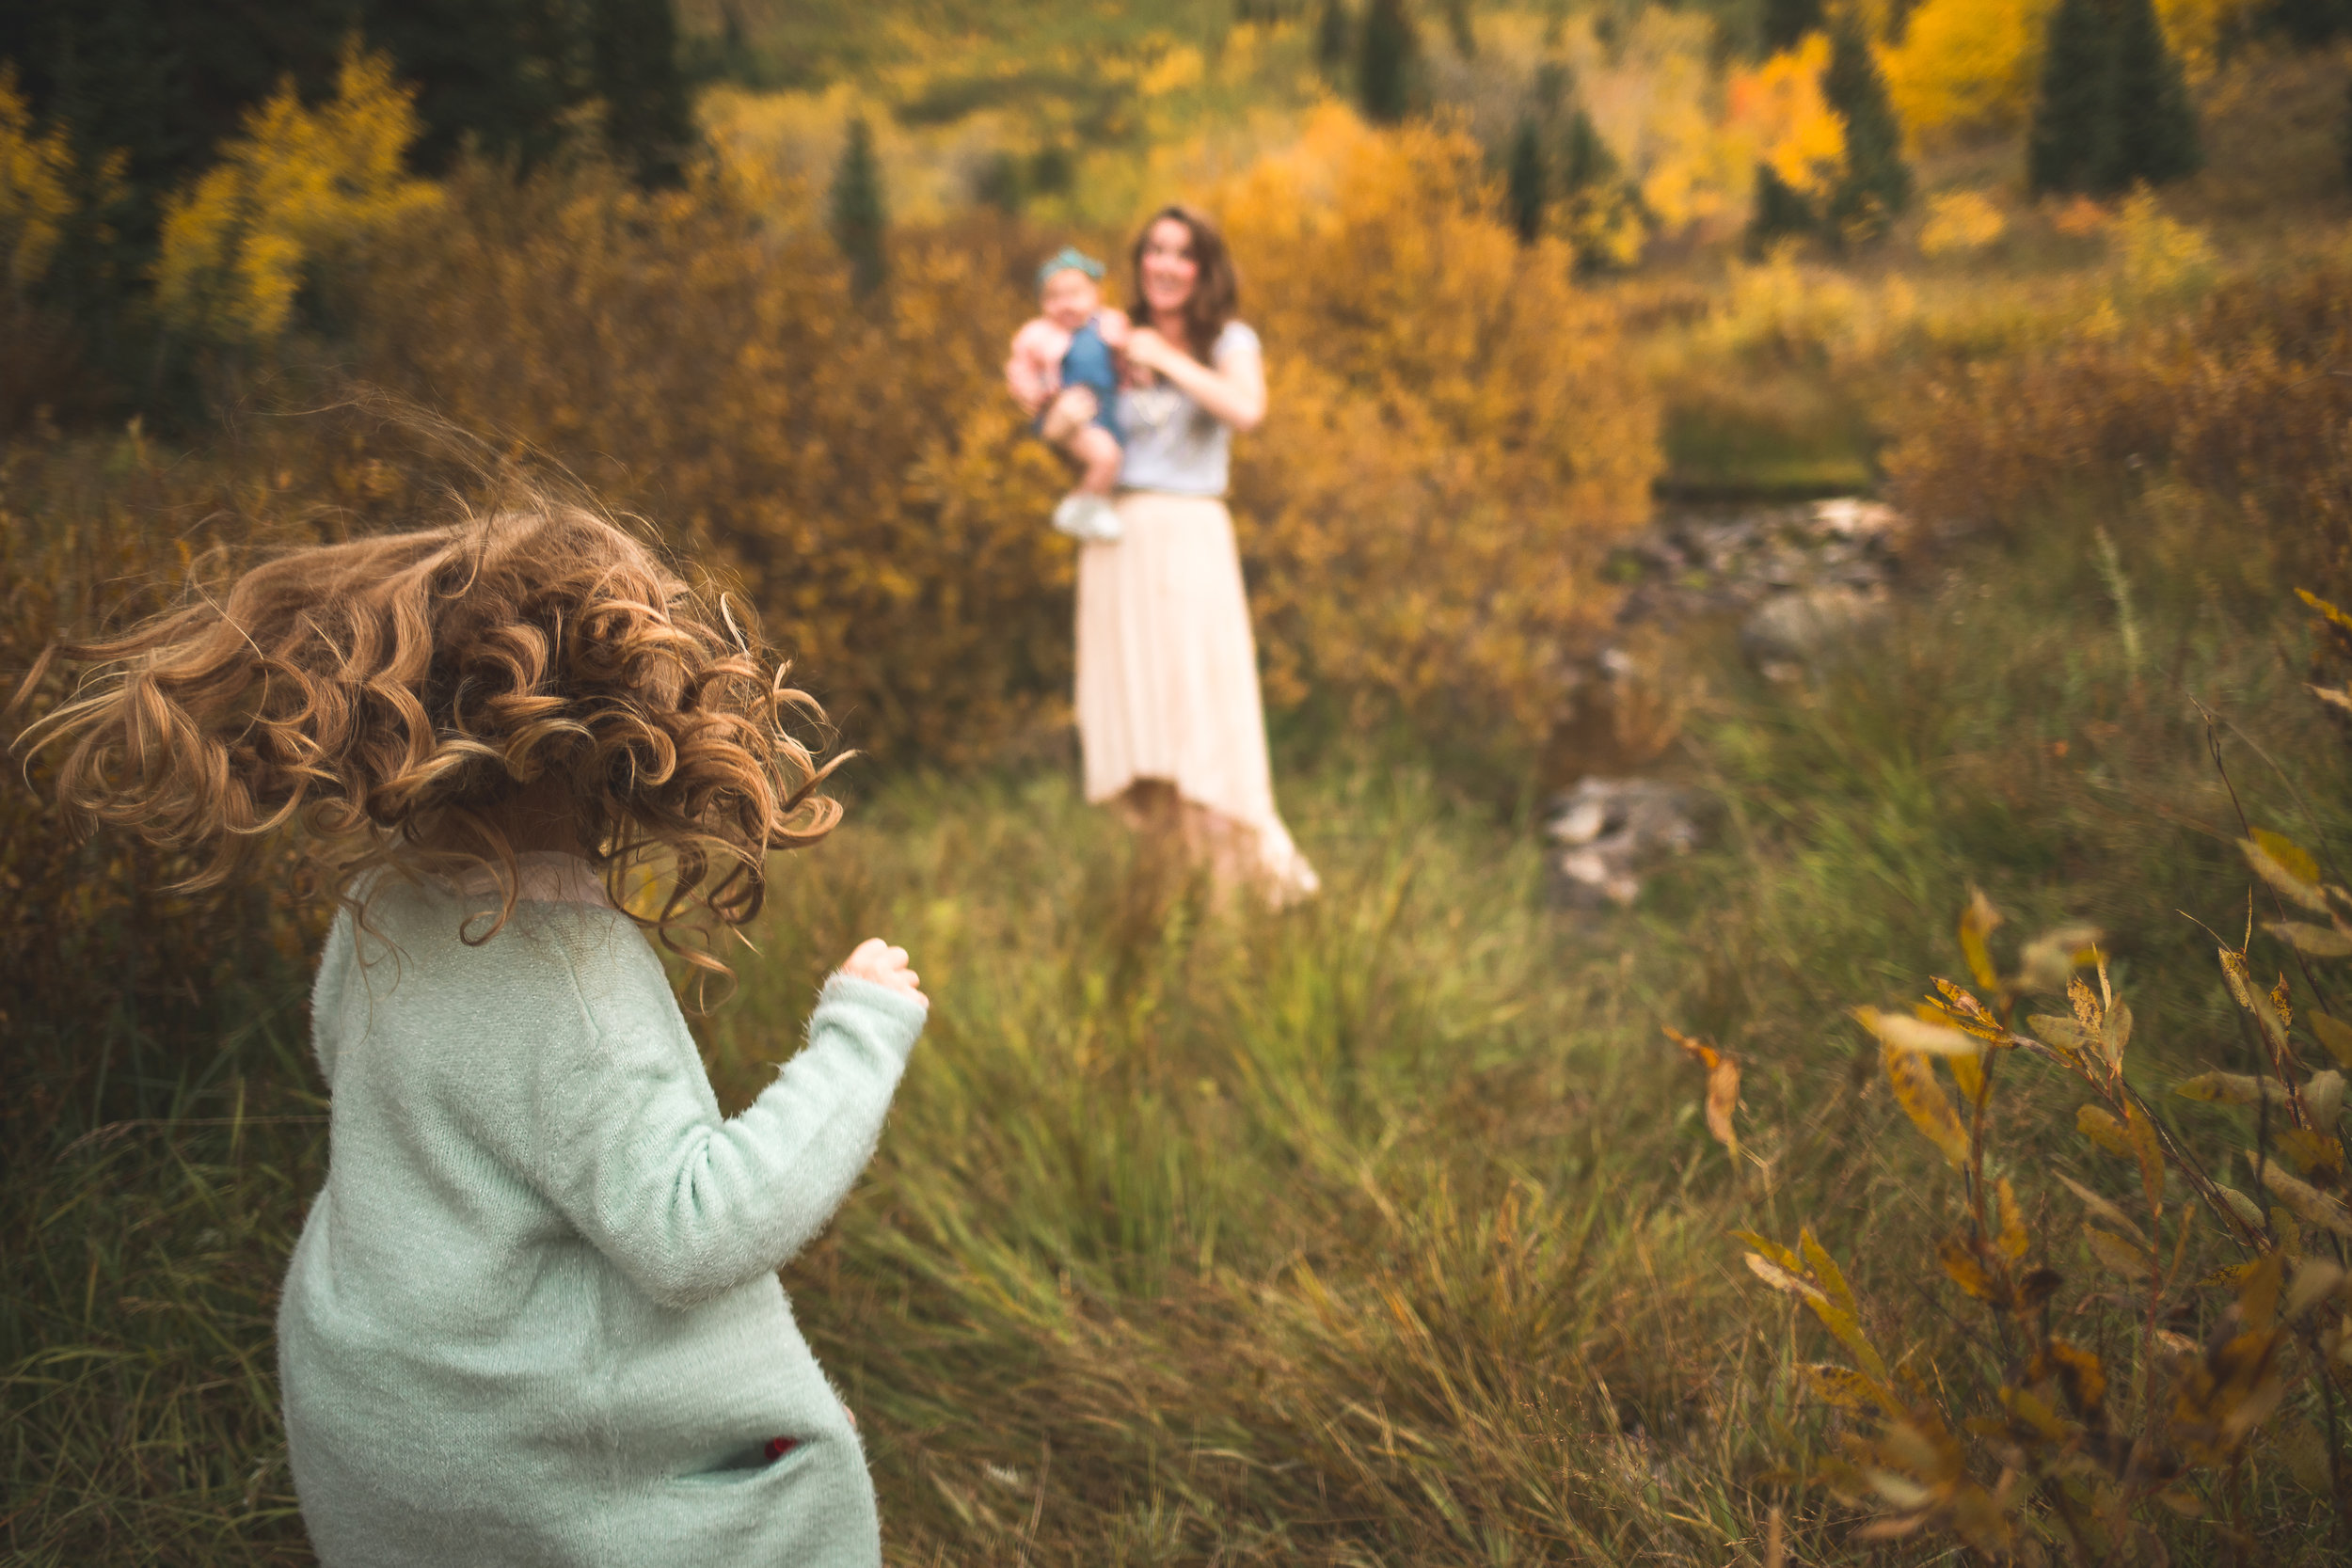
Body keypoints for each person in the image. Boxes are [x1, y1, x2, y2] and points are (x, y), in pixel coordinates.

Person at [16, 499, 928, 1568]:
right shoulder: (577, 979)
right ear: (628, 727)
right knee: (802, 1486)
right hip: (537, 1475)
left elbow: (357, 1071)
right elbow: (697, 1231)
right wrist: (859, 1034)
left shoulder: (383, 905)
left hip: (385, 1431)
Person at [1077, 203, 1319, 905]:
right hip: (1116, 541)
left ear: (1205, 268)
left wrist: (1167, 359)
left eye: (1183, 253)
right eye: (1155, 249)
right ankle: (1176, 893)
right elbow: (1083, 430)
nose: (1165, 265)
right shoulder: (1114, 337)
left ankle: (1253, 890)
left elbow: (1248, 410)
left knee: (1198, 716)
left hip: (1189, 538)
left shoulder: (1228, 339)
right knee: (1140, 730)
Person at [1005, 246, 1131, 542]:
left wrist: (1135, 366)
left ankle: (1093, 509)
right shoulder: (1038, 334)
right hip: (1067, 412)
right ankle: (1077, 507)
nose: (1065, 304)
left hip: (1106, 408)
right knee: (1105, 457)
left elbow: (1127, 355)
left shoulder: (1109, 324)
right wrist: (1035, 396)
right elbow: (1019, 370)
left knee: (1112, 457)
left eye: (1075, 294)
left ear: (1097, 294)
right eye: (1053, 297)